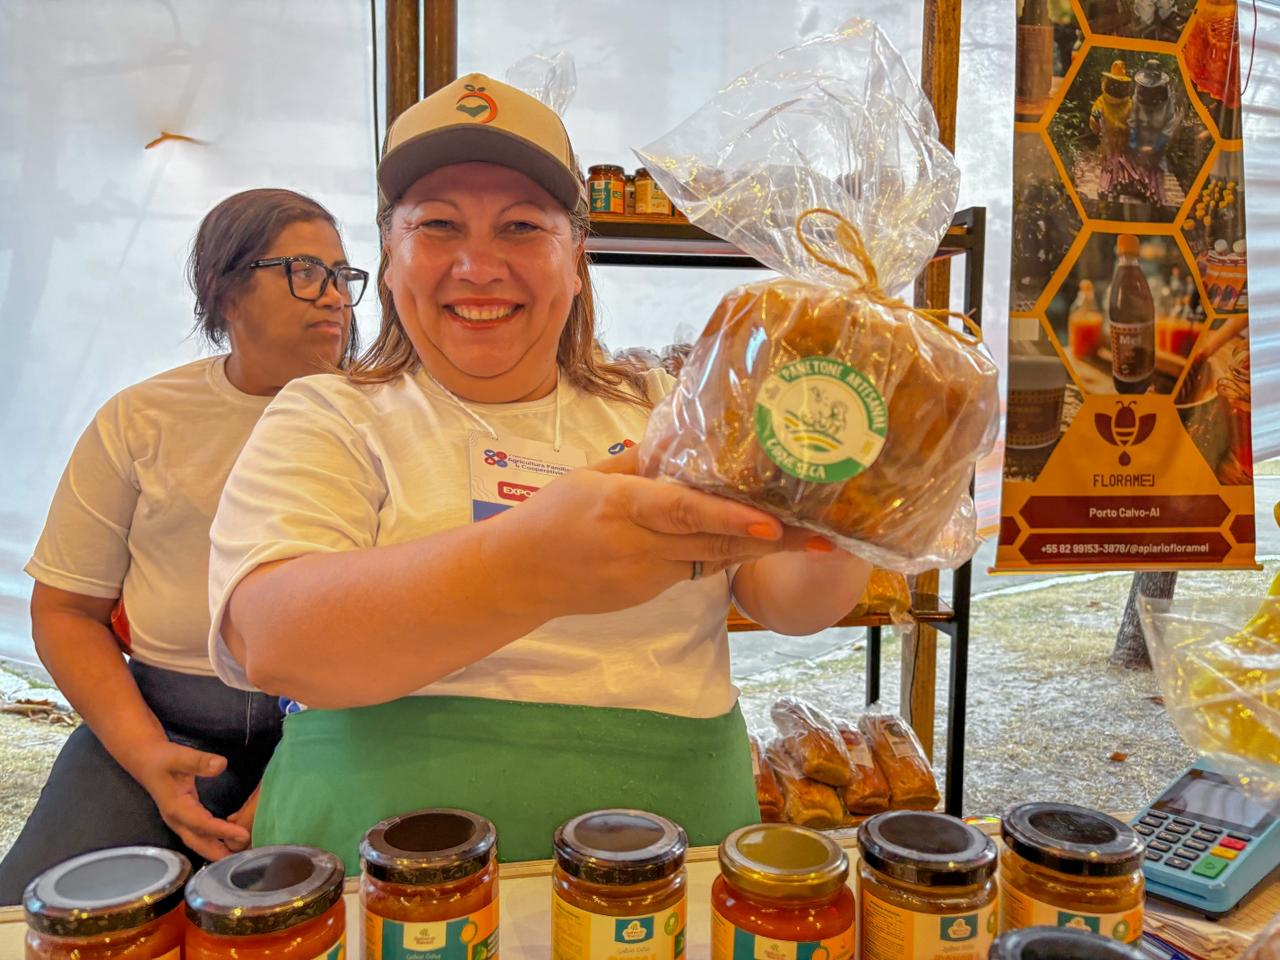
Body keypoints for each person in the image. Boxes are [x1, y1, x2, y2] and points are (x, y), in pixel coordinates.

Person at [208, 75, 872, 868]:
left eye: (522, 226)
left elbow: (790, 602)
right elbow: (275, 639)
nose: (478, 266)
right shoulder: (330, 414)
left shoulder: (668, 412)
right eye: (438, 225)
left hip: (663, 863)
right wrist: (537, 563)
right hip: (387, 871)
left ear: (575, 258)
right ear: (389, 257)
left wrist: (846, 486)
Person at [0, 189, 367, 903]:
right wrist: (146, 754)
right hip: (163, 720)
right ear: (224, 290)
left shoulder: (382, 418)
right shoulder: (142, 420)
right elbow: (66, 610)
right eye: (303, 271)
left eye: (341, 274)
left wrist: (309, 753)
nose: (333, 296)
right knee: (42, 915)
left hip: (344, 724)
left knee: (326, 916)